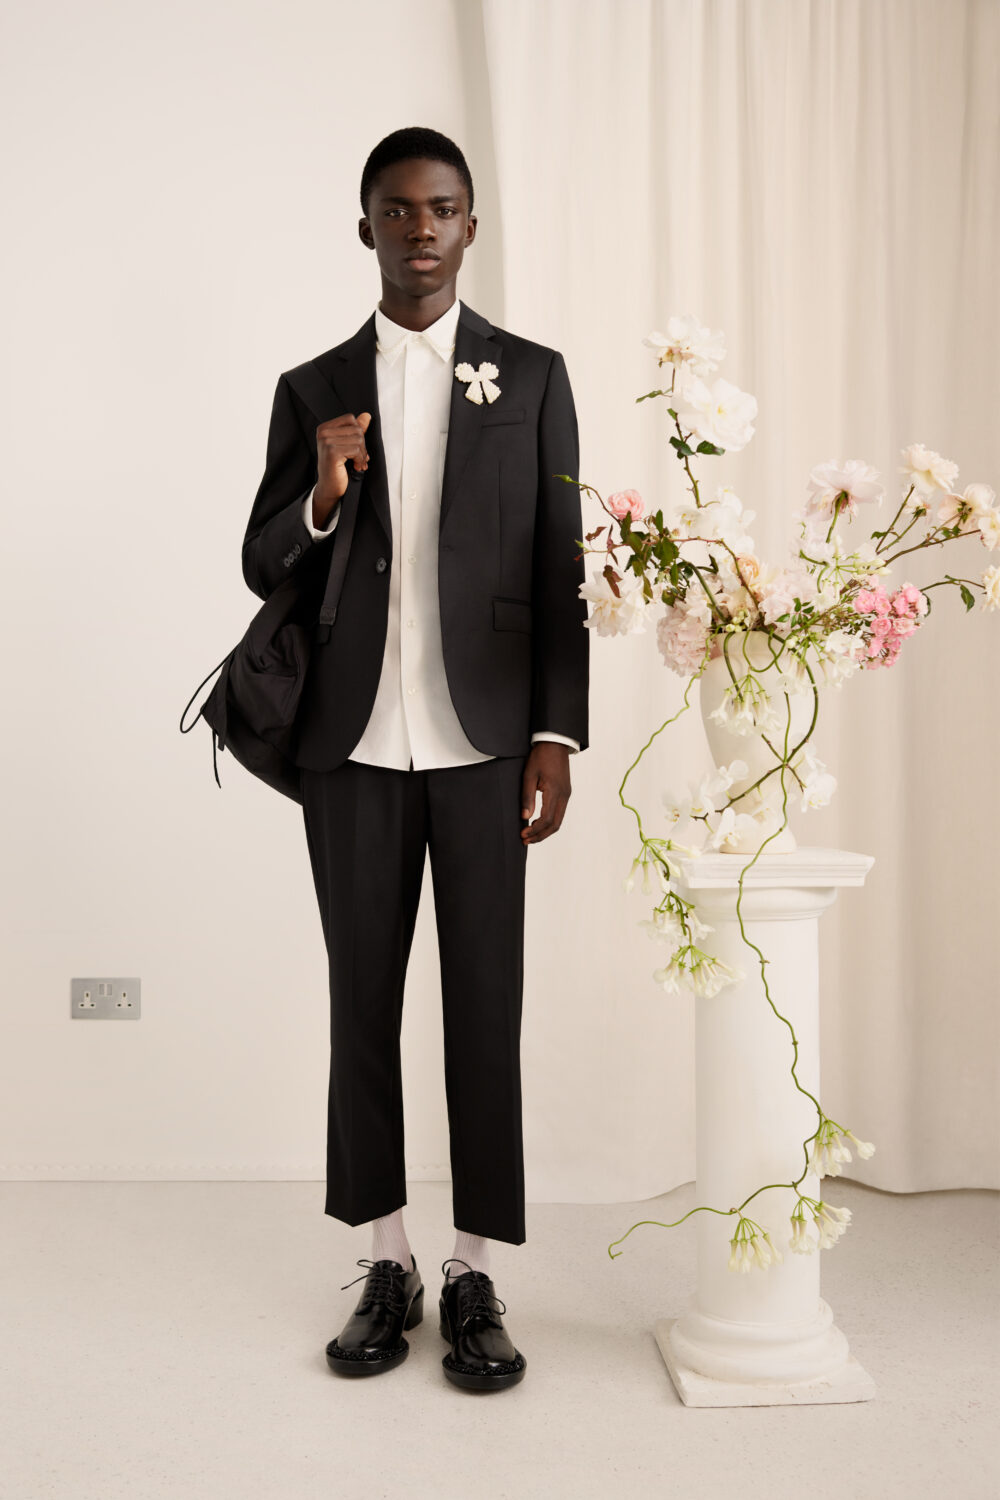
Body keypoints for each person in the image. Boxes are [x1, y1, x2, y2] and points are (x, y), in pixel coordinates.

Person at [241, 126, 588, 1391]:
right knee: (362, 1004)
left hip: (486, 743)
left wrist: (555, 732)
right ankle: (385, 1260)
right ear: (366, 228)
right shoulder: (311, 386)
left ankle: (474, 1267)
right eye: (397, 210)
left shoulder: (532, 375)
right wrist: (323, 494)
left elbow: (560, 565)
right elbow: (261, 559)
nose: (421, 228)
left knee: (485, 1003)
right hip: (349, 744)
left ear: (471, 226)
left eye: (442, 208)